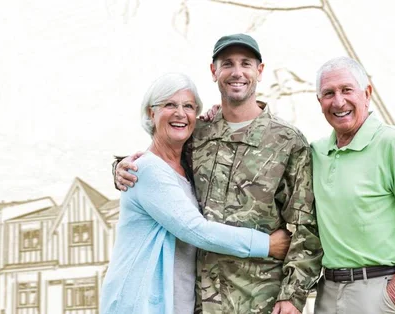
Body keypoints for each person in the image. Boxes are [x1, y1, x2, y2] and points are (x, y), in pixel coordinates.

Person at [113, 34, 323, 314]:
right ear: (214, 71)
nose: (237, 72)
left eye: (246, 63)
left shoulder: (288, 142)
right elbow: (160, 167)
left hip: (260, 301)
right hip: (198, 302)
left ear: (259, 71)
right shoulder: (196, 135)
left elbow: (305, 227)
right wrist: (119, 167)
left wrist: (292, 297)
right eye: (227, 64)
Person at [100, 72, 292, 314]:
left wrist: (217, 118)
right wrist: (267, 244)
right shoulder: (147, 169)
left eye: (188, 106)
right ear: (151, 113)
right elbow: (196, 230)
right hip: (140, 302)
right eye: (170, 104)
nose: (180, 113)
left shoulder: (187, 166)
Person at [311, 56, 395, 313]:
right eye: (329, 93)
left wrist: (393, 295)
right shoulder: (316, 152)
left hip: (378, 293)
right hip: (328, 294)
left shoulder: (394, 142)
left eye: (347, 90)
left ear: (367, 93)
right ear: (320, 102)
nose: (339, 101)